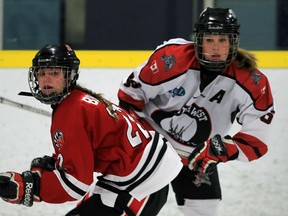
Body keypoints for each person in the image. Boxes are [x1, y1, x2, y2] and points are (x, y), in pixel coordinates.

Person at [117, 7, 275, 216]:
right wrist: (141, 141)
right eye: (209, 40)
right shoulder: (171, 60)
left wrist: (220, 149)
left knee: (204, 210)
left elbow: (257, 141)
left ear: (233, 42)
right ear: (198, 40)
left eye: (222, 40)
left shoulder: (252, 82)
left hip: (199, 156)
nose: (216, 47)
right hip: (152, 146)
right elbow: (129, 96)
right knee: (130, 206)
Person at [0, 44, 183, 215]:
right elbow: (84, 153)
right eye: (42, 73)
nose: (46, 78)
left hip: (140, 182)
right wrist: (57, 164)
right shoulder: (78, 101)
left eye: (54, 73)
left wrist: (29, 188)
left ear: (68, 76)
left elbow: (76, 184)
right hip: (142, 172)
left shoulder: (70, 112)